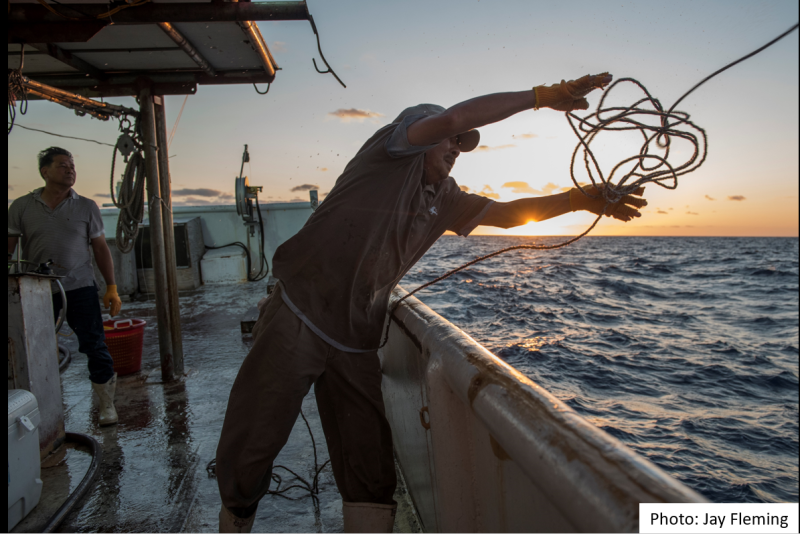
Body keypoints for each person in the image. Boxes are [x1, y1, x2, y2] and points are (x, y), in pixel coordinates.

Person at [215, 73, 647, 533]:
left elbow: (506, 214)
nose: (455, 146)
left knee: (369, 463)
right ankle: (235, 521)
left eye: (461, 144)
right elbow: (456, 116)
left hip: (356, 338)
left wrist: (580, 199)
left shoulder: (447, 199)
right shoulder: (389, 153)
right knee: (254, 438)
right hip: (299, 312)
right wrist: (541, 98)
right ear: (418, 137)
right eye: (448, 140)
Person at [8, 147, 123, 427]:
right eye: (62, 165)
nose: (70, 170)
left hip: (80, 288)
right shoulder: (21, 206)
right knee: (34, 347)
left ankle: (106, 405)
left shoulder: (86, 206)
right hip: (36, 290)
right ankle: (38, 407)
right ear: (45, 172)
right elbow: (9, 246)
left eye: (72, 165)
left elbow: (99, 248)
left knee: (94, 344)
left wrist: (111, 286)